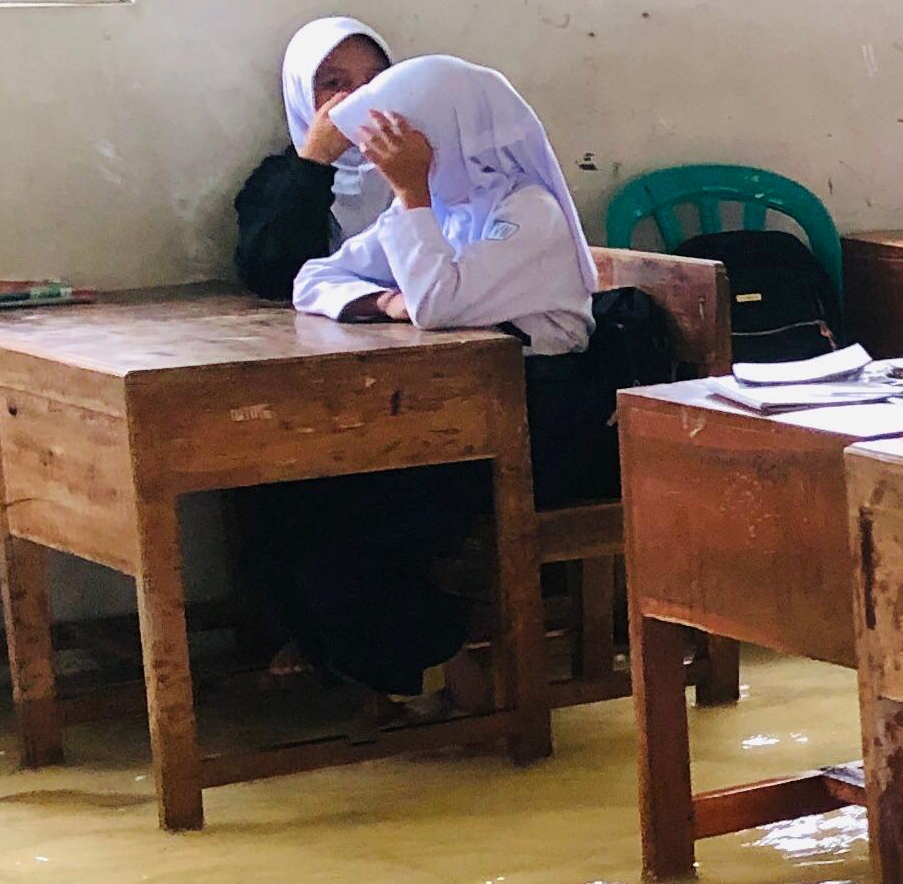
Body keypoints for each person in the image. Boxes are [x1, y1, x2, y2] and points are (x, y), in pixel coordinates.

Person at [254, 57, 628, 712]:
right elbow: (312, 279)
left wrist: (412, 197)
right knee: (294, 497)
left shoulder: (527, 211)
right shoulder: (450, 207)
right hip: (455, 424)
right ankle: (415, 664)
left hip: (537, 433)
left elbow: (435, 302)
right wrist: (382, 302)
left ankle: (439, 672)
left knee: (350, 532)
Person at [233, 17, 394, 300]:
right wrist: (314, 162)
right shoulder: (277, 181)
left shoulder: (423, 161)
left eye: (376, 81)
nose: (360, 98)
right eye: (334, 84)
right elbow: (270, 278)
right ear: (302, 95)